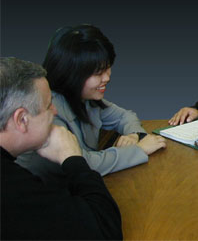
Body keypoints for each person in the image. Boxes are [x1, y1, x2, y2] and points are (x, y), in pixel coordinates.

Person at [16, 25, 166, 183]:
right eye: (98, 73)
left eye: (108, 68)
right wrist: (139, 150)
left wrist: (132, 134)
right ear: (71, 73)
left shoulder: (84, 97)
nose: (107, 77)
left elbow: (124, 116)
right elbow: (82, 163)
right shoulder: (48, 110)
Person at [0, 57, 122, 240]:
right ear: (22, 119)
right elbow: (104, 229)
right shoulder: (12, 188)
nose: (55, 111)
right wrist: (72, 158)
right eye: (48, 105)